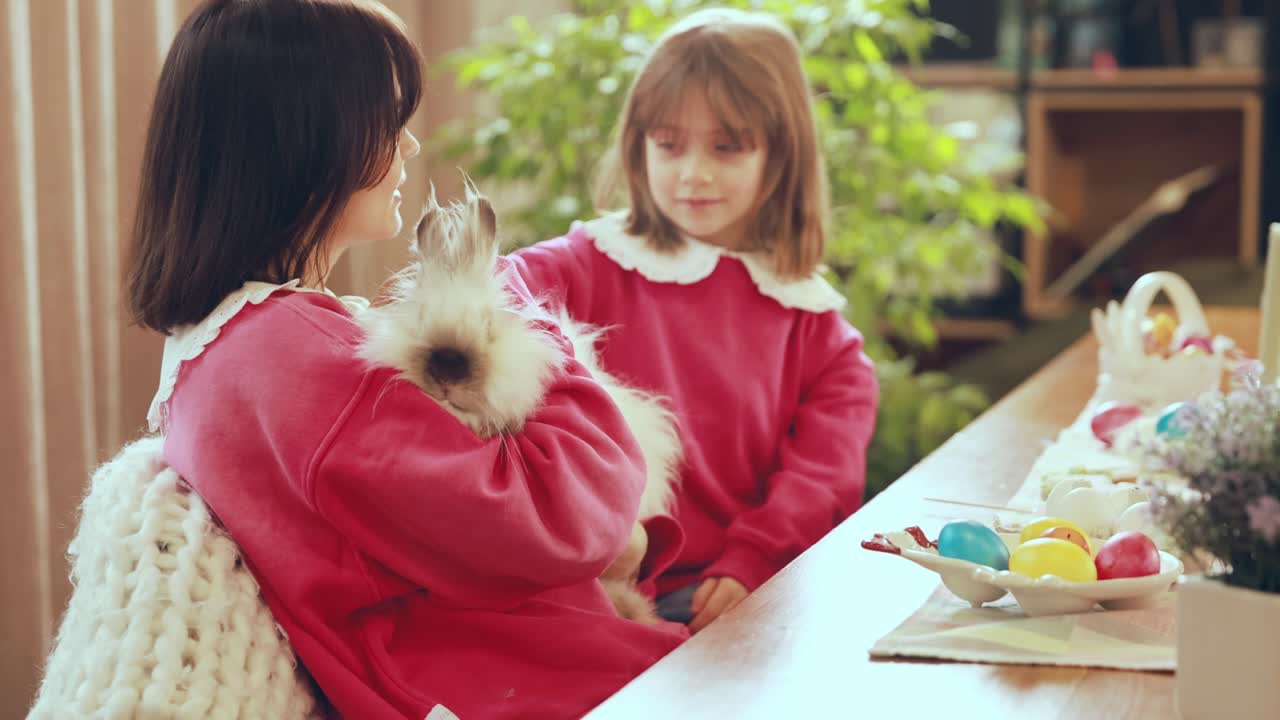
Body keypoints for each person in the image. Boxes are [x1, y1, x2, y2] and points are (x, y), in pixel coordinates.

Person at [126, 2, 686, 718]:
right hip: (517, 683)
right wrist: (534, 335)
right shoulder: (295, 361)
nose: (411, 148)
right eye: (388, 122)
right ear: (303, 138)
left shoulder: (231, 348)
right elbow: (558, 522)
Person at [511, 7, 879, 633]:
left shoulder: (817, 328)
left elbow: (823, 478)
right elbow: (476, 308)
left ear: (781, 154)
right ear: (637, 144)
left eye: (727, 146)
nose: (693, 173)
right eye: (669, 143)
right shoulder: (583, 265)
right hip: (583, 588)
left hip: (736, 595)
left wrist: (751, 563)